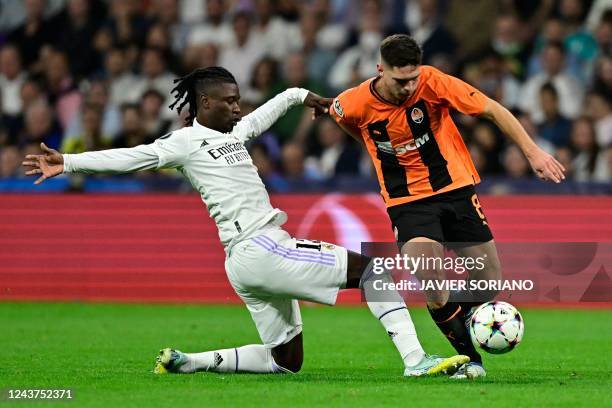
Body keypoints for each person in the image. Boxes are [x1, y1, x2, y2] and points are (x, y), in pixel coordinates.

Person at [22, 66, 467, 377]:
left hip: (246, 263)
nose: (238, 108)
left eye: (239, 101)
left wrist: (301, 96)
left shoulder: (233, 135)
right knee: (374, 271)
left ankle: (187, 361)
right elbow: (133, 159)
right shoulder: (186, 142)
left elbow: (271, 111)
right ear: (205, 103)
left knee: (285, 361)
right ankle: (415, 360)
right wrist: (70, 162)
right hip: (259, 247)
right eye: (229, 102)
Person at [330, 34, 566, 379]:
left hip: (455, 189)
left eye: (413, 78)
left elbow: (494, 110)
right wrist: (378, 149)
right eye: (400, 80)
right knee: (432, 279)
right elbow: (343, 119)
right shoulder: (352, 102)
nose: (409, 87)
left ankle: (463, 317)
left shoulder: (434, 82)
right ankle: (470, 360)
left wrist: (534, 153)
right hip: (408, 202)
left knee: (488, 283)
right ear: (380, 69)